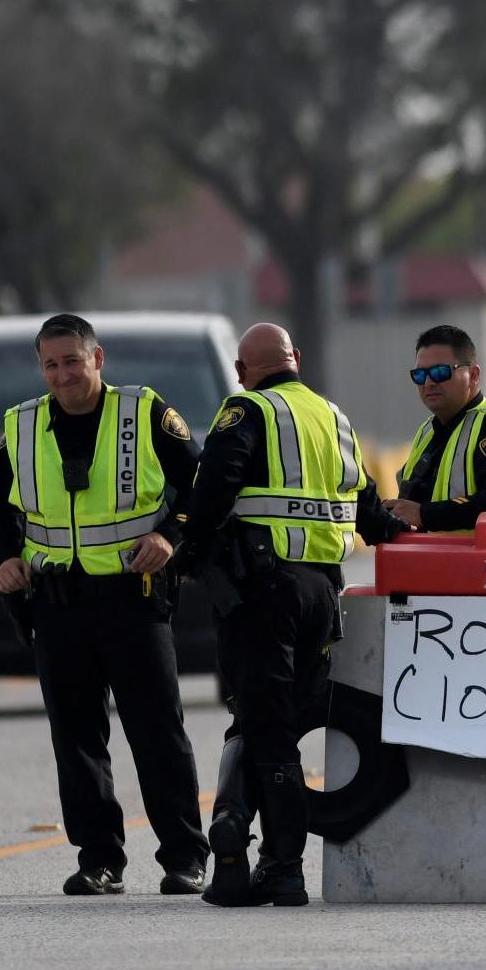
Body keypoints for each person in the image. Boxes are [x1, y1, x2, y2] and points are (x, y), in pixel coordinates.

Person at [174, 322, 408, 907]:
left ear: (241, 371)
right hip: (321, 595)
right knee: (281, 717)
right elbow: (366, 505)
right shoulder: (335, 418)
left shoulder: (246, 410)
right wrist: (403, 534)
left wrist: (189, 554)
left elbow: (215, 486)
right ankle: (254, 848)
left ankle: (280, 866)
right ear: (296, 359)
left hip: (264, 594)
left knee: (267, 726)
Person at [0, 312, 209, 897]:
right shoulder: (23, 426)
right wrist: (6, 558)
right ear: (40, 367)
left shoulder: (144, 413)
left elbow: (201, 487)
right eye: (51, 364)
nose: (62, 375)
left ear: (98, 359)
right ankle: (99, 859)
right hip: (58, 607)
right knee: (77, 737)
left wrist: (171, 539)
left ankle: (185, 856)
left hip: (132, 601)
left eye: (72, 362)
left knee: (157, 731)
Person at [384, 323, 486, 535]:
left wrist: (424, 514)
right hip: (442, 565)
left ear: (473, 375)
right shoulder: (427, 431)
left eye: (440, 372)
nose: (428, 382)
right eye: (420, 375)